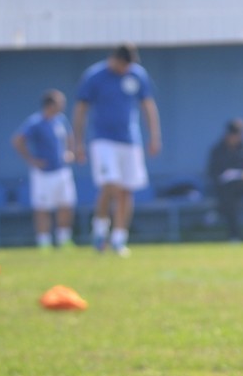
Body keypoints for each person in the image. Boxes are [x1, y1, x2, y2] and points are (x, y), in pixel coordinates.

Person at [72, 43, 162, 255]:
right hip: (103, 140)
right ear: (113, 59)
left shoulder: (137, 75)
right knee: (110, 184)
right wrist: (78, 142)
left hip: (130, 140)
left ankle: (119, 238)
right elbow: (81, 109)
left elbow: (148, 105)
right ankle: (100, 230)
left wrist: (154, 136)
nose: (126, 69)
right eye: (123, 65)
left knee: (126, 190)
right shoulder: (95, 76)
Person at [11, 88, 78, 250]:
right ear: (50, 104)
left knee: (66, 205)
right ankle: (44, 242)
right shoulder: (35, 122)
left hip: (62, 170)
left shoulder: (61, 120)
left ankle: (64, 240)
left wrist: (70, 152)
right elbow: (18, 140)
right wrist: (31, 160)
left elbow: (70, 137)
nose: (63, 105)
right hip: (43, 173)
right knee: (42, 208)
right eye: (60, 102)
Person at [207, 118, 243, 241]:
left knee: (229, 198)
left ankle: (219, 211)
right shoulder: (218, 150)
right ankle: (235, 235)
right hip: (224, 188)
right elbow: (212, 172)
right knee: (230, 198)